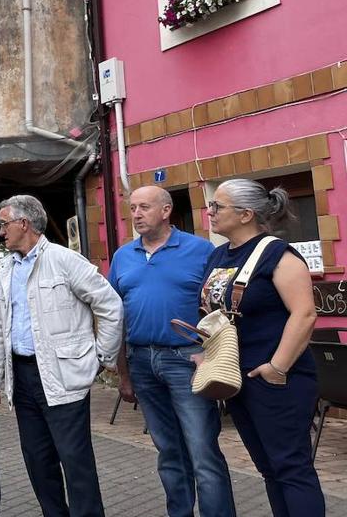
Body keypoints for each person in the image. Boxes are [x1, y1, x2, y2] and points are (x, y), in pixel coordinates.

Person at [0, 194, 122, 517]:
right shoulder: (6, 268)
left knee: (75, 460)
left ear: (23, 224)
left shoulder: (64, 260)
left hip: (63, 376)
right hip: (24, 376)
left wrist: (102, 357)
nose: (1, 232)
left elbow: (110, 305)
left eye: (4, 225)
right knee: (38, 459)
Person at [109, 186, 235, 517]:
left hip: (186, 361)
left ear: (166, 211)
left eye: (144, 207)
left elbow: (219, 310)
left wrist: (211, 353)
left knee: (202, 450)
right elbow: (115, 317)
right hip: (141, 362)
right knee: (167, 450)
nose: (135, 214)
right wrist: (123, 373)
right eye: (132, 207)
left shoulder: (202, 250)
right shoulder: (123, 256)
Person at [202, 179, 322, 517]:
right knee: (269, 469)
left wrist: (277, 368)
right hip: (237, 378)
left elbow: (305, 313)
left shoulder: (277, 254)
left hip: (277, 380)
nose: (210, 211)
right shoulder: (219, 255)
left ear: (245, 215)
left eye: (218, 206)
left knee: (291, 469)